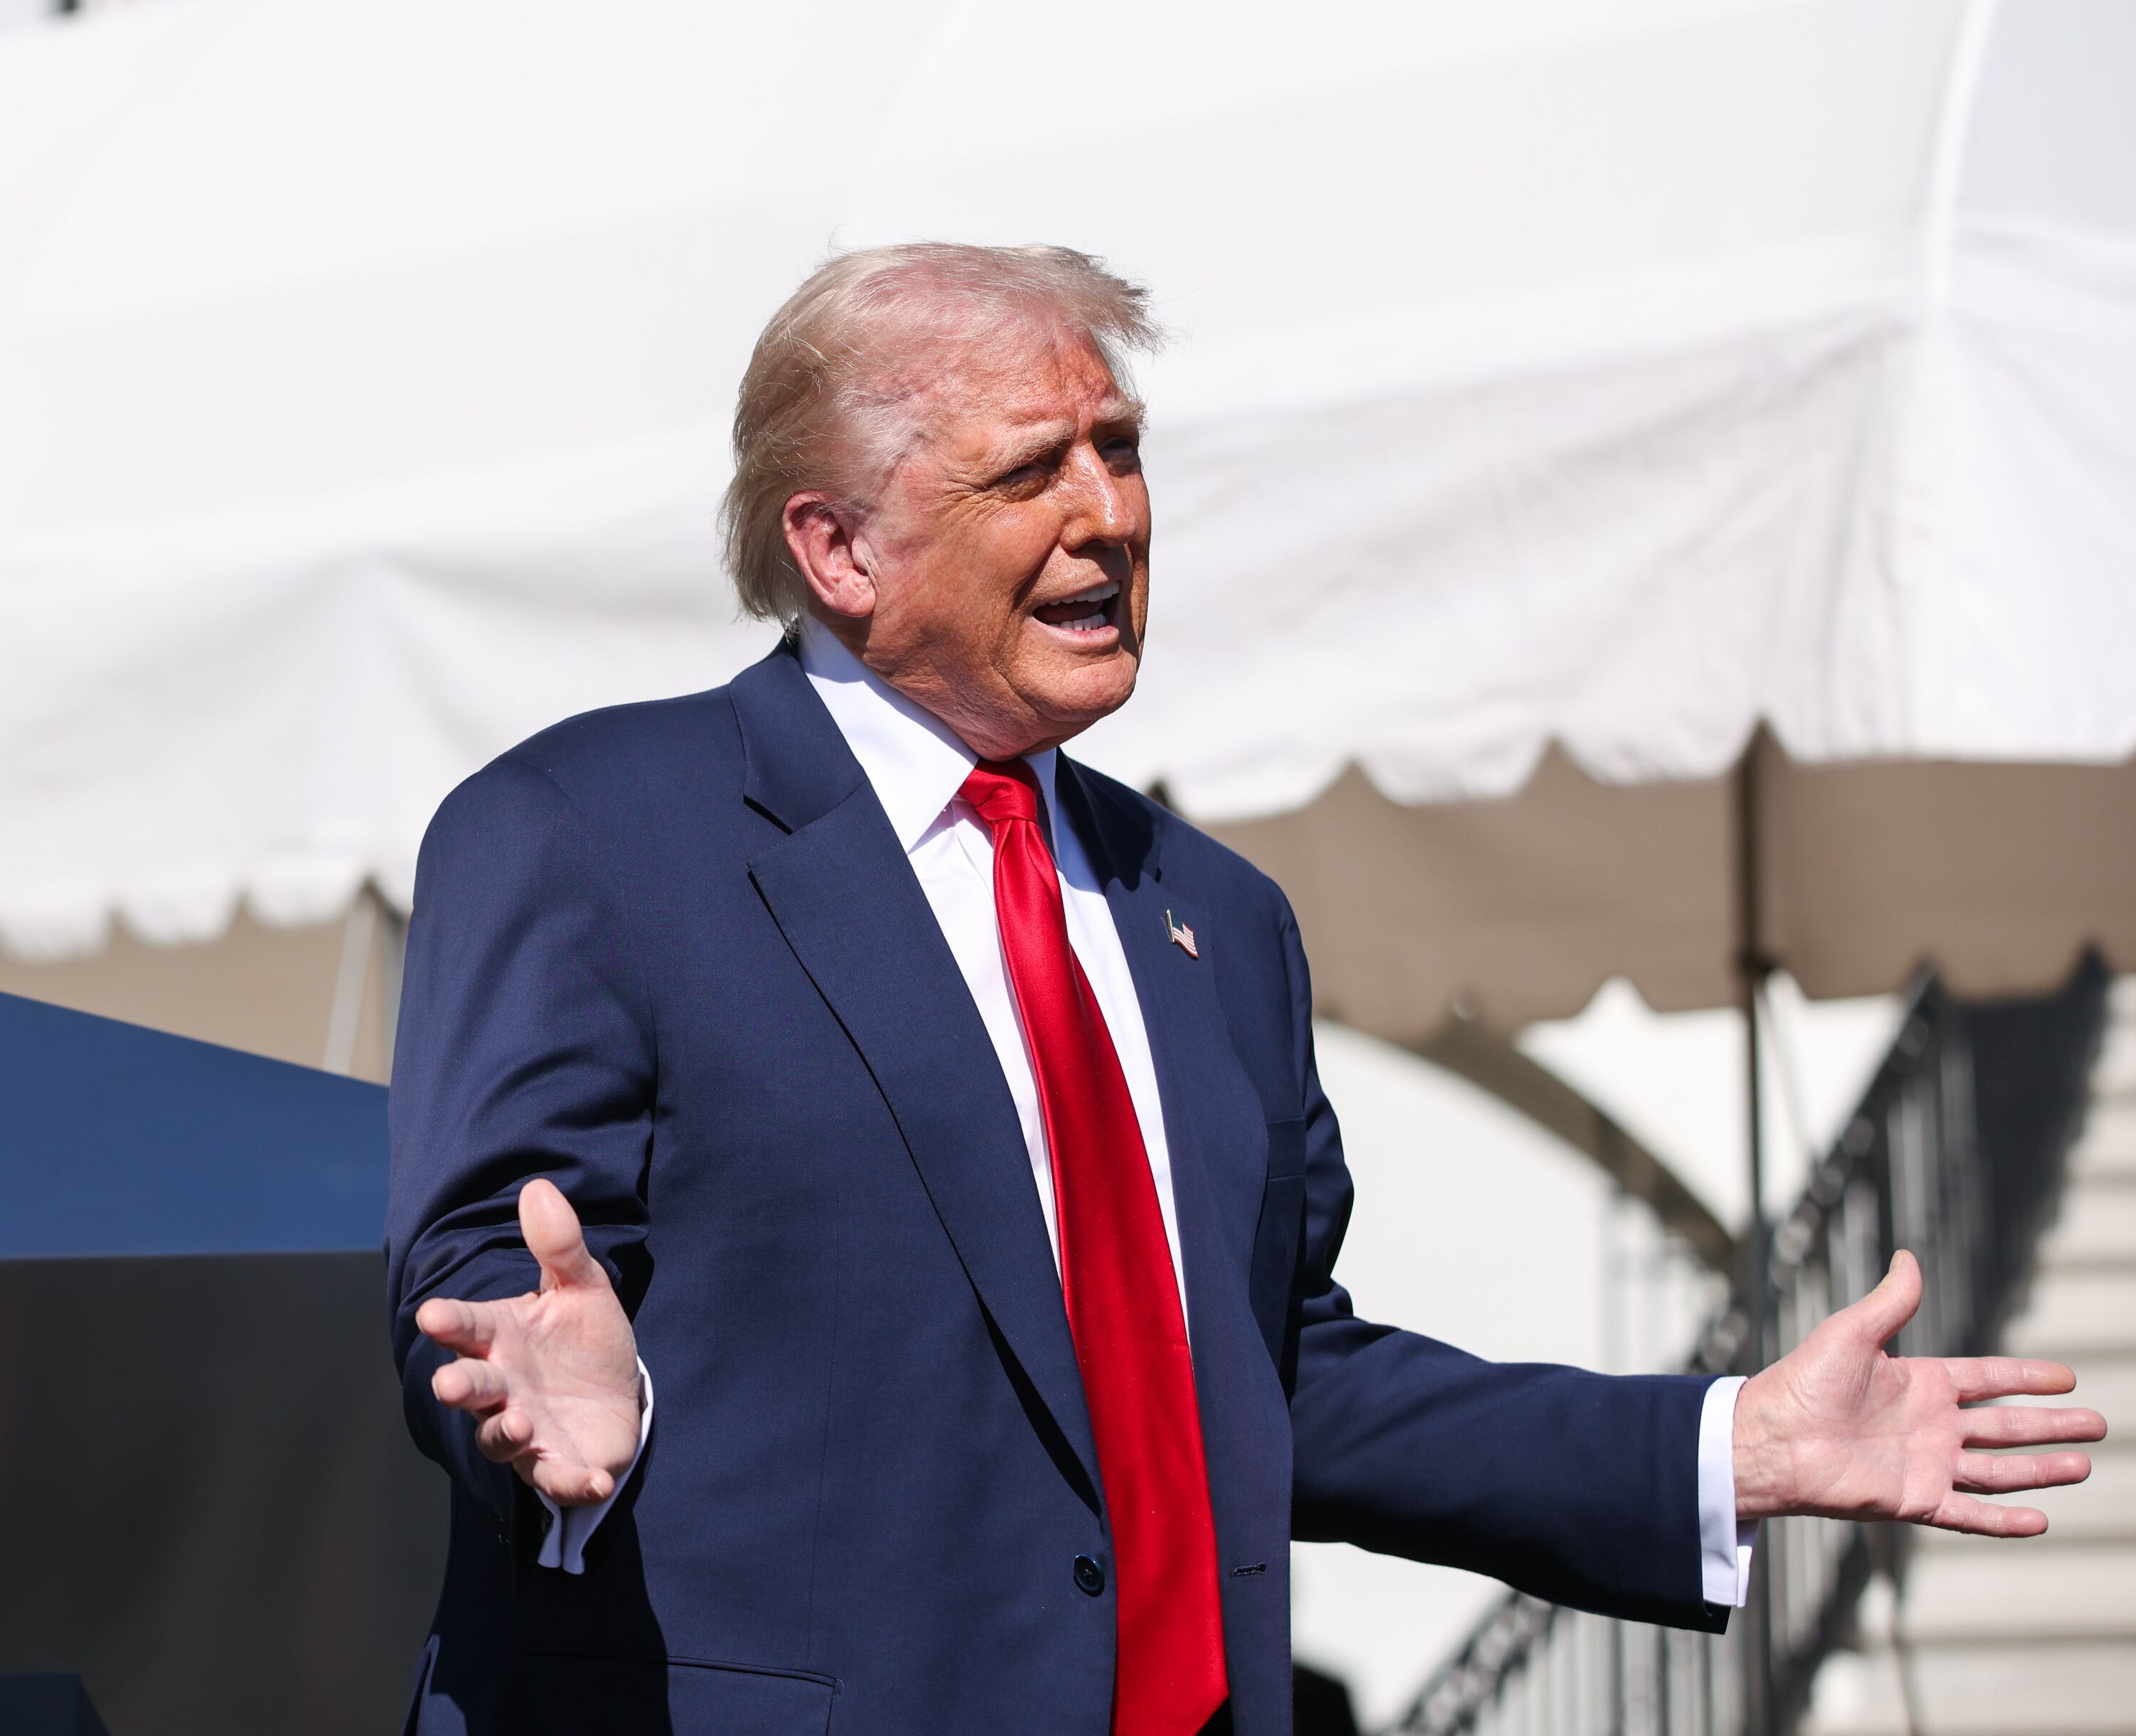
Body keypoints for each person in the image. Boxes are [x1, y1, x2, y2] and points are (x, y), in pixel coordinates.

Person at [384, 243, 2104, 1735]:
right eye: (1031, 470)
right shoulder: (590, 835)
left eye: (1122, 450)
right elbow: (496, 1288)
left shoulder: (1211, 916)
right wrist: (553, 1405)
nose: (1110, 514)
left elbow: (1280, 1381)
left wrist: (1714, 1450)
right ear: (838, 548)